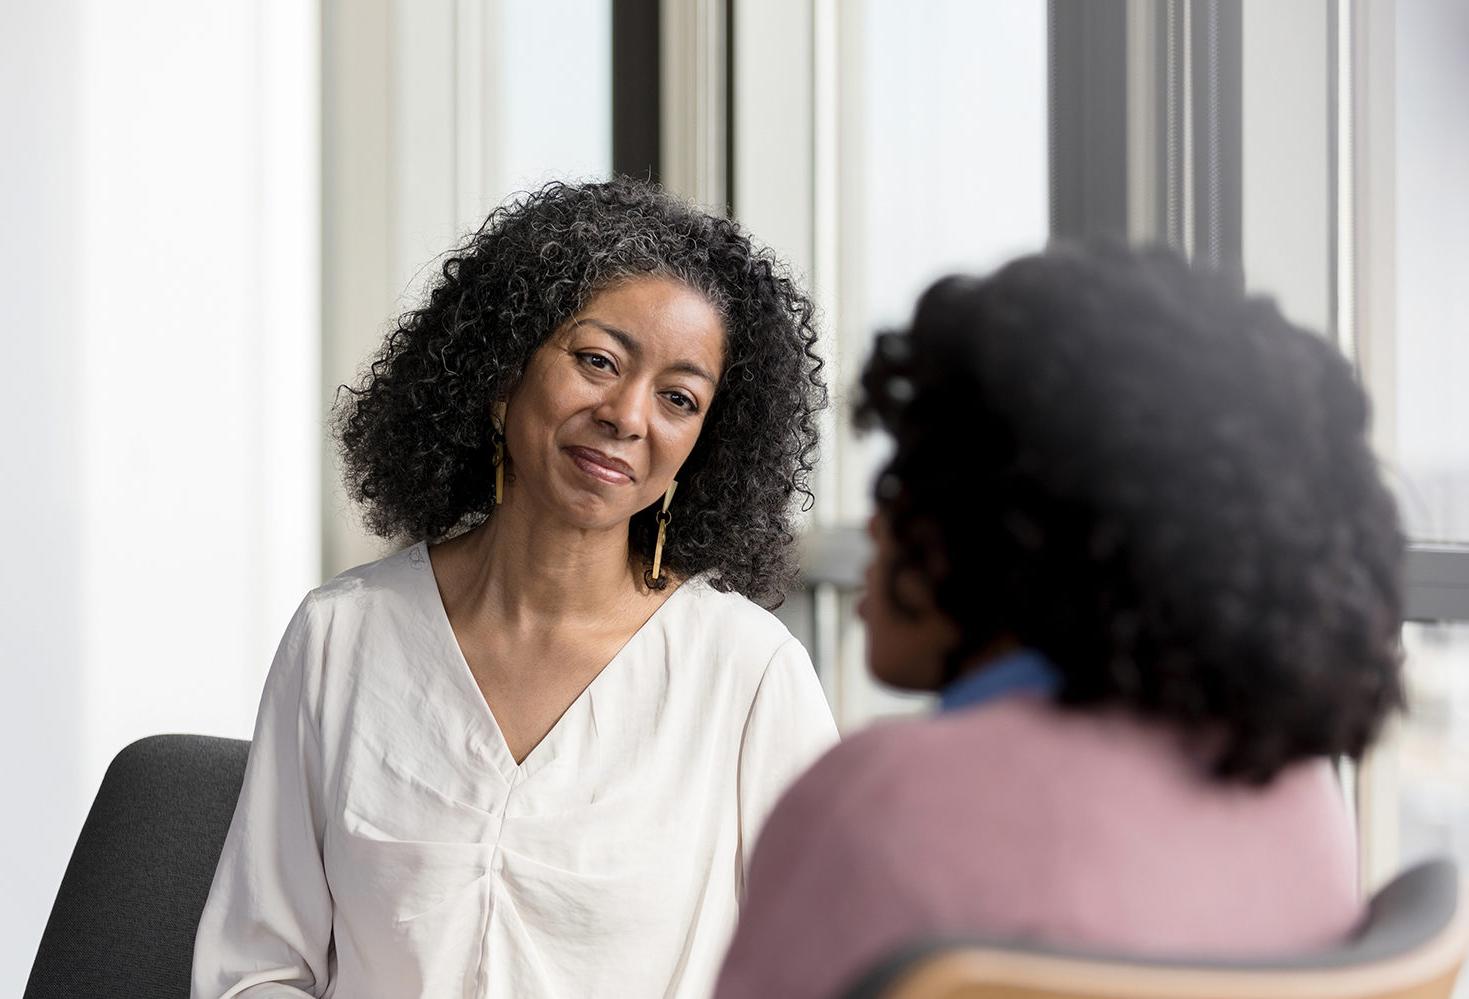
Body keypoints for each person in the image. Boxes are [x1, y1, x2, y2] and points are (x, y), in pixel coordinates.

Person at [191, 178, 838, 999]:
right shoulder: (341, 637)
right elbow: (257, 969)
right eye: (597, 360)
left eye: (678, 398)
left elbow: (826, 970)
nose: (627, 414)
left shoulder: (746, 673)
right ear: (502, 375)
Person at [714, 243, 1404, 999]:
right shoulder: (1298, 796)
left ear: (1013, 529)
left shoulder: (882, 803)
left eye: (908, 476)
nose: (876, 524)